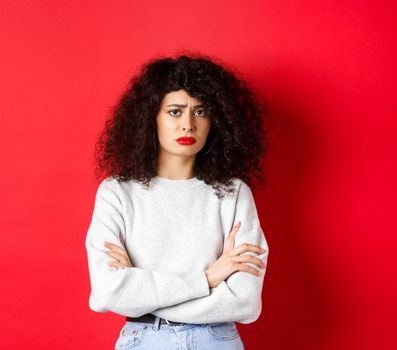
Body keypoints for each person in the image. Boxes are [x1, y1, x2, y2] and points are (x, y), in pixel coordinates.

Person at [85, 53, 269, 350]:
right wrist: (207, 279)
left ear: (216, 120)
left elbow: (245, 303)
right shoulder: (117, 193)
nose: (188, 125)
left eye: (200, 111)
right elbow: (107, 293)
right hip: (144, 341)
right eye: (174, 111)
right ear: (151, 117)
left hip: (216, 340)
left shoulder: (232, 193)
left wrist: (141, 294)